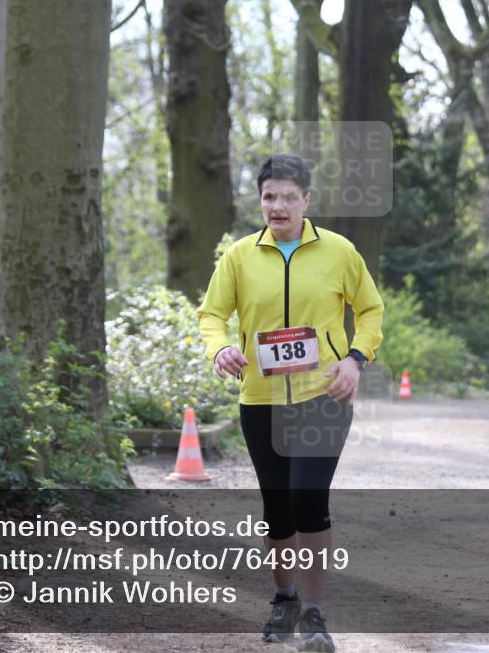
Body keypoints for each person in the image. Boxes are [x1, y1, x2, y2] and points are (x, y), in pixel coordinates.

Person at [198, 153, 384, 652]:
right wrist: (221, 347)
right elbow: (212, 315)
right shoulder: (238, 257)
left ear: (306, 200)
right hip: (260, 400)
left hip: (323, 394)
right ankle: (285, 598)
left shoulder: (339, 252)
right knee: (277, 509)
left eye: (287, 197)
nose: (277, 206)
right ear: (259, 200)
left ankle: (316, 615)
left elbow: (370, 310)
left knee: (307, 496)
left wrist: (354, 359)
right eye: (268, 197)